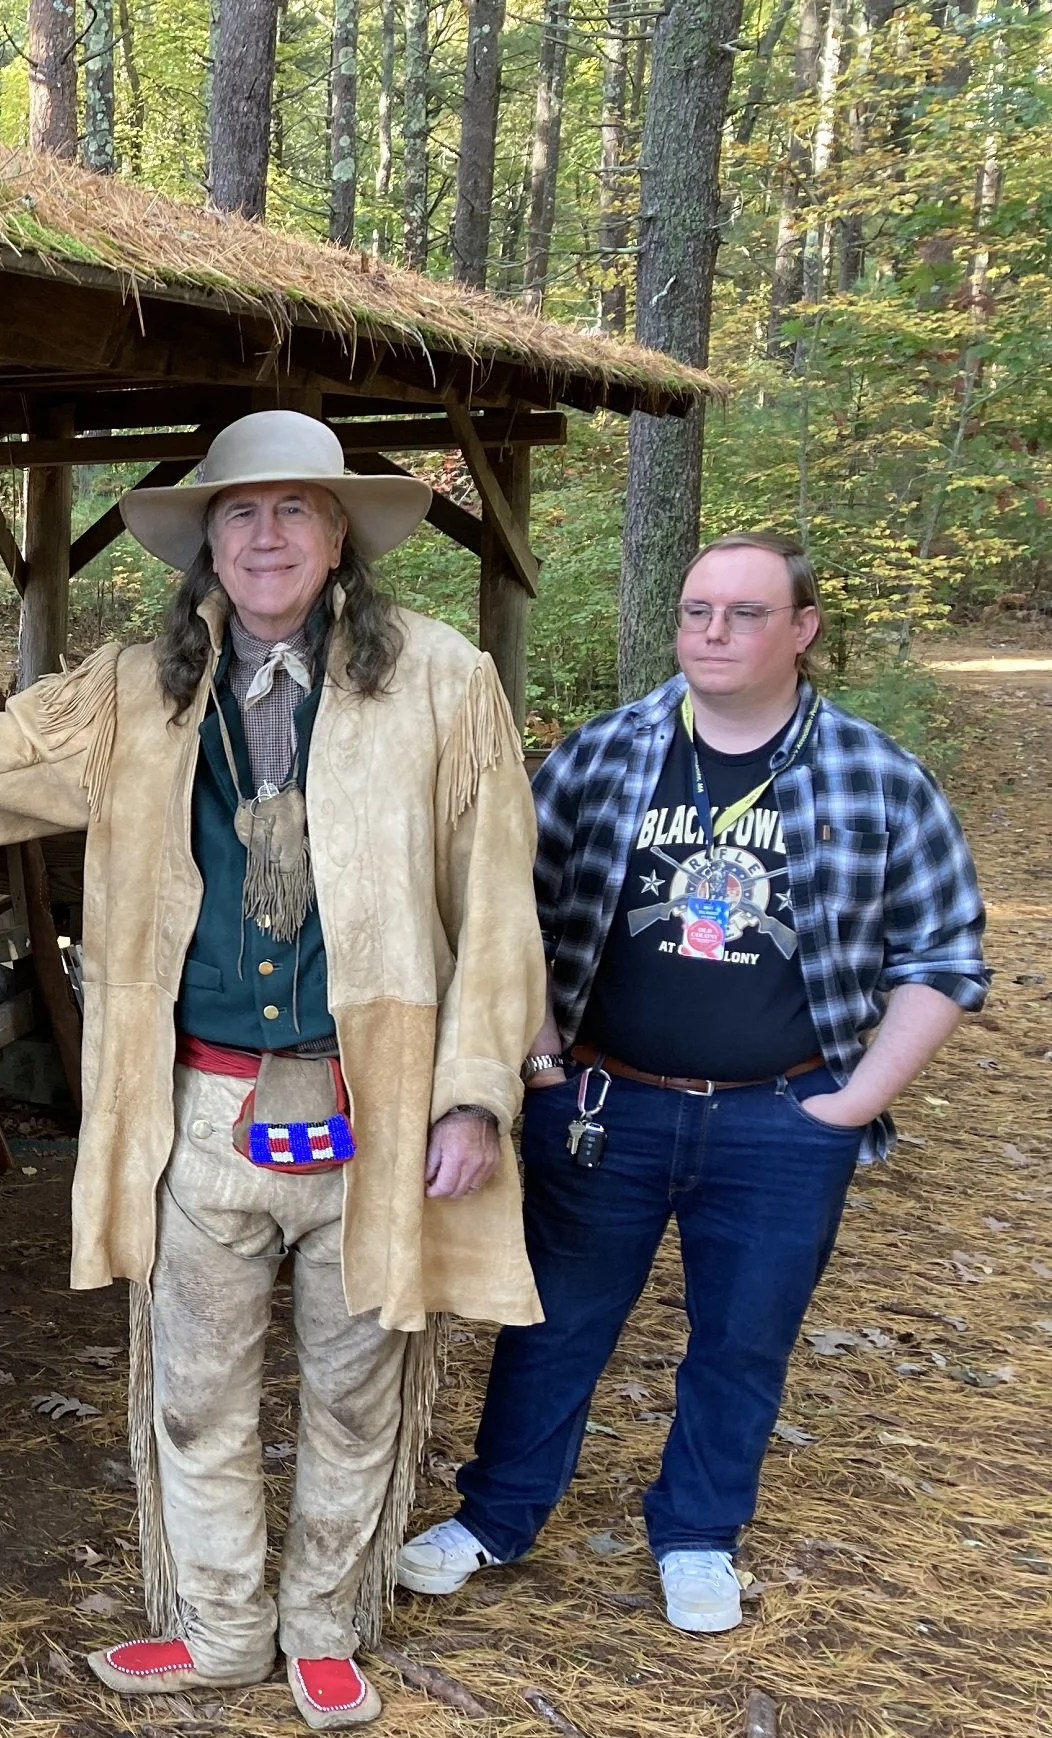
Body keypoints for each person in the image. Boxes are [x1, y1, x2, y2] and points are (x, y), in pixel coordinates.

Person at [0, 409, 545, 1730]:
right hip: (197, 1106)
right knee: (194, 1383)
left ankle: (326, 1624)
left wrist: (479, 1088)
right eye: (241, 512)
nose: (267, 537)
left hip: (378, 1101)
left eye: (294, 511)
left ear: (339, 536)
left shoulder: (442, 680)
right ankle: (216, 1627)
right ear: (207, 536)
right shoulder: (138, 687)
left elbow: (497, 898)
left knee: (356, 1376)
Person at [397, 531, 987, 1633]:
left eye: (744, 613)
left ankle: (698, 1534)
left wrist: (851, 1106)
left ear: (802, 631)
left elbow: (943, 958)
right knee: (554, 1323)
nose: (712, 633)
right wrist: (536, 1066)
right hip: (602, 1107)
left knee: (743, 1338)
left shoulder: (875, 777)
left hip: (782, 1117)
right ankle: (497, 1515)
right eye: (695, 611)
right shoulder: (602, 756)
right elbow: (502, 914)